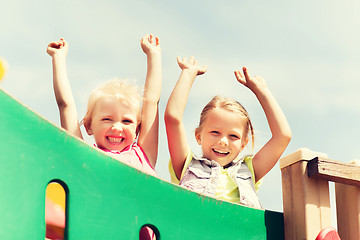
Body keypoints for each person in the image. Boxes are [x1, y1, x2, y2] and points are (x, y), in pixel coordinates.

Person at [165, 56, 292, 208]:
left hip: (239, 231)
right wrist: (188, 73)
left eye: (233, 136)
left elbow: (283, 136)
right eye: (215, 132)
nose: (223, 141)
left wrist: (261, 91)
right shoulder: (187, 166)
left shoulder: (249, 171)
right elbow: (172, 118)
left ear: (244, 143)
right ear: (198, 136)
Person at [46, 34, 161, 177]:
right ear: (88, 126)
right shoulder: (85, 155)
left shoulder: (143, 155)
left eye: (126, 121)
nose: (117, 127)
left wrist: (154, 55)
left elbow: (151, 101)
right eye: (107, 119)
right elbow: (65, 105)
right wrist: (58, 58)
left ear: (137, 129)